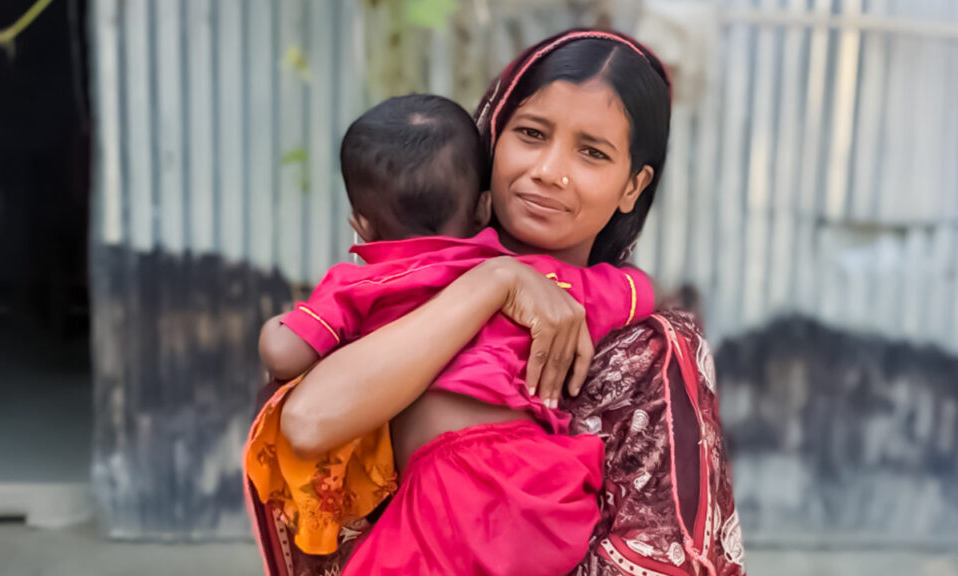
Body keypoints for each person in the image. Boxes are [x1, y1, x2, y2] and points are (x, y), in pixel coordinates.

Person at [246, 28, 745, 576]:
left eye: (592, 152)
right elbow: (308, 424)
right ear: (492, 141)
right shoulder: (415, 281)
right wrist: (494, 282)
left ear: (632, 186)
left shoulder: (651, 352)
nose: (548, 172)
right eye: (531, 133)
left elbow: (664, 557)